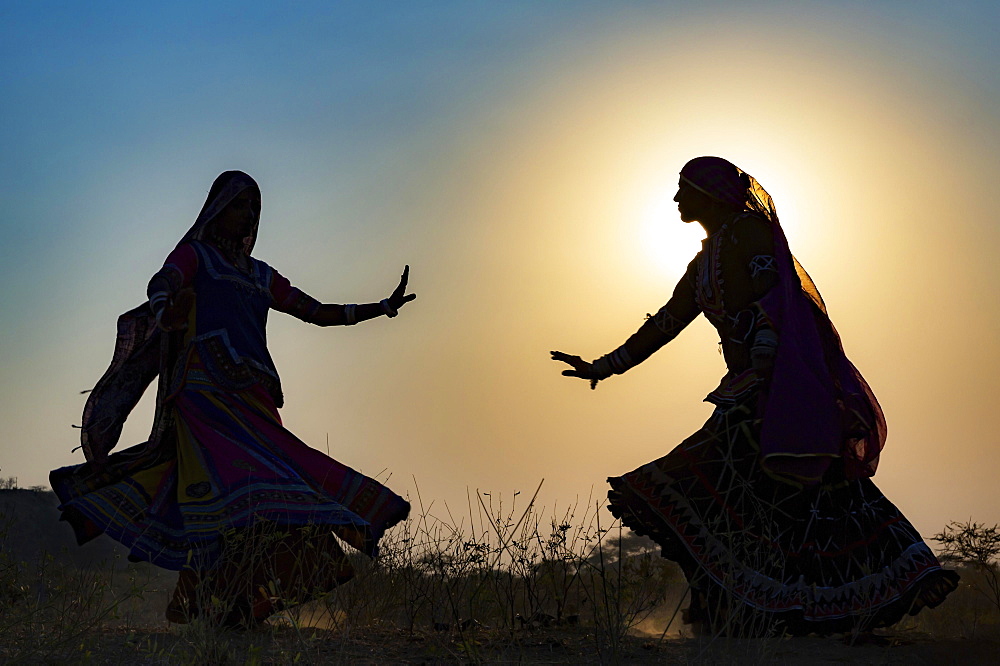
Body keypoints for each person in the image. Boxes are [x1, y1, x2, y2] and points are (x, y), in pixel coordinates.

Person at [552, 157, 958, 636]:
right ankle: (737, 613)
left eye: (685, 189)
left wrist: (765, 352)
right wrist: (603, 366)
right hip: (746, 394)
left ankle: (756, 612)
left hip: (782, 391)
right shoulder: (703, 262)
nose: (677, 199)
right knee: (746, 503)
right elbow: (666, 322)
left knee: (740, 493)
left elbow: (776, 299)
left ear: (711, 194)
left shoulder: (751, 234)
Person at [50, 171, 414, 627]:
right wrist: (168, 313)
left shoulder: (262, 275)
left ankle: (241, 605)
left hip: (256, 399)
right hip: (202, 392)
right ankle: (226, 600)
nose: (248, 214)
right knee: (234, 495)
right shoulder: (196, 256)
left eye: (254, 207)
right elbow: (161, 284)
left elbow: (316, 311)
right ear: (219, 209)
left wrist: (379, 308)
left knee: (278, 487)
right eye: (240, 204)